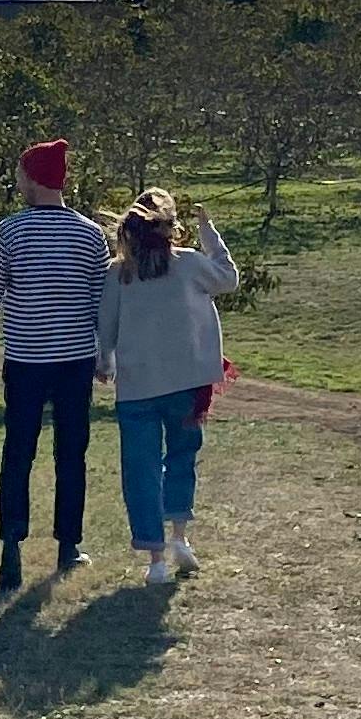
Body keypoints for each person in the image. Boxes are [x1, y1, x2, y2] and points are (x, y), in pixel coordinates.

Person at [0, 136, 111, 589]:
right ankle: (68, 544)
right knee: (71, 453)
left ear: (32, 179)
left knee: (18, 450)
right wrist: (103, 353)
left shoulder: (11, 231)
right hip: (74, 359)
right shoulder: (91, 234)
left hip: (26, 358)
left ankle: (12, 544)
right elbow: (99, 301)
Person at [91, 187, 235, 589]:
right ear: (172, 230)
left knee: (141, 469)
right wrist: (209, 232)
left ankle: (155, 559)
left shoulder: (118, 274)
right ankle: (180, 538)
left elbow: (107, 326)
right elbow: (229, 278)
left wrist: (105, 362)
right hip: (187, 381)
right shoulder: (189, 264)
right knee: (182, 457)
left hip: (137, 386)